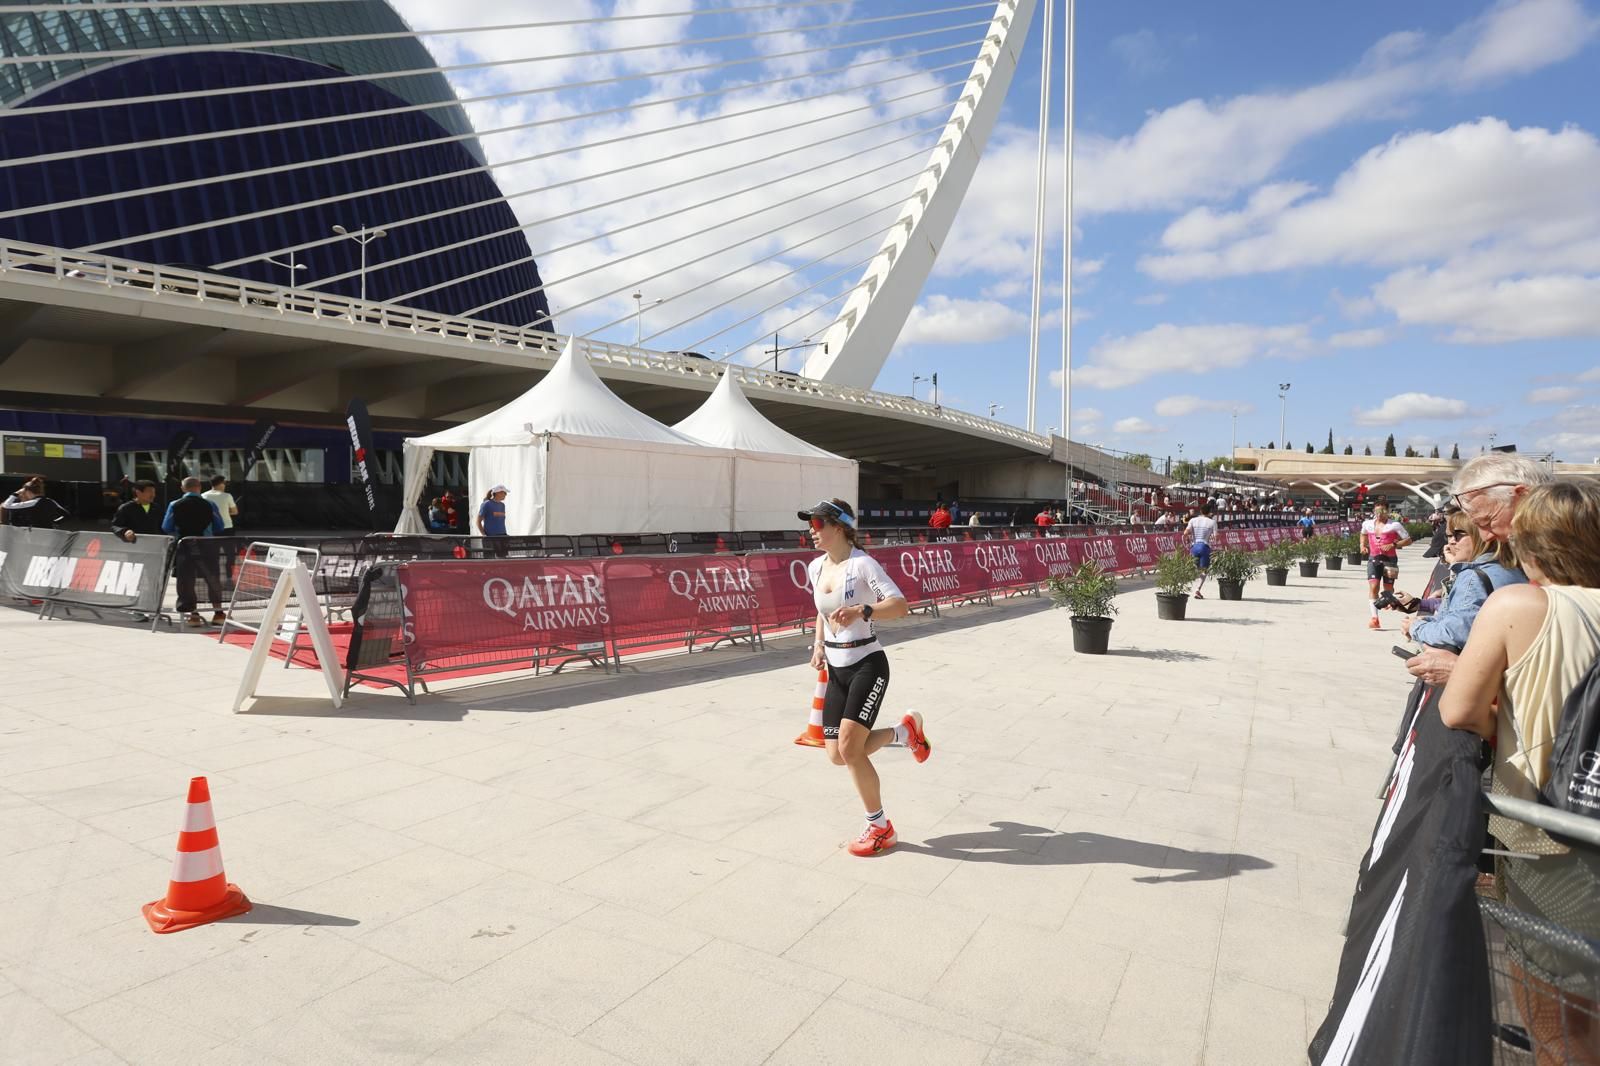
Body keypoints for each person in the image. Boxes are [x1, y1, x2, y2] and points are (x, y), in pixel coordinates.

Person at [1440, 480, 1600, 1061]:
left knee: (1560, 1022)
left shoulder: (1519, 606)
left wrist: (1502, 719)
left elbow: (1457, 708)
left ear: (1530, 550)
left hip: (1552, 840)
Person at [801, 498, 930, 857]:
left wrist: (864, 609)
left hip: (867, 664)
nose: (811, 531)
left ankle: (880, 827)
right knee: (837, 755)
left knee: (849, 749)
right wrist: (818, 645)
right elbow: (821, 613)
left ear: (838, 526)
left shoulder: (863, 565)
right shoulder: (815, 567)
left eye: (816, 523)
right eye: (810, 524)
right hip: (836, 668)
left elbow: (901, 605)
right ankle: (904, 733)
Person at [1407, 452, 1554, 685]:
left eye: (1487, 521)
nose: (1486, 536)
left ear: (1522, 497)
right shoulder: (1534, 568)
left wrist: (1465, 672)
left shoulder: (1564, 575)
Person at [1390, 509, 1525, 649]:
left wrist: (1415, 627)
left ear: (1481, 536)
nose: (1452, 542)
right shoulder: (1510, 568)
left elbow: (1454, 634)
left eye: (1458, 535)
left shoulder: (1472, 576)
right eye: (1449, 536)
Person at [161, 475, 226, 627]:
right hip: (207, 546)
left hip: (185, 547)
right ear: (199, 487)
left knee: (186, 581)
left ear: (183, 488)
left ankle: (194, 615)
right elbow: (220, 526)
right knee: (212, 578)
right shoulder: (210, 504)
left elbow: (166, 527)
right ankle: (219, 613)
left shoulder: (174, 504)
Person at [1359, 503, 1413, 631]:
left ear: (1387, 512)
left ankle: (1388, 600)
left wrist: (1394, 545)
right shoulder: (1367, 524)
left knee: (1388, 589)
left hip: (1390, 560)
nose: (1380, 515)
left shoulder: (1394, 525)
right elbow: (1363, 534)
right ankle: (1374, 618)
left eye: (1383, 512)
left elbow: (1408, 540)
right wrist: (1362, 545)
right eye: (1377, 512)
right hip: (1374, 558)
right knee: (1373, 586)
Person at [2, 477, 69, 528]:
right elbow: (67, 515)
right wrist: (56, 522)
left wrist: (16, 493)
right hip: (50, 533)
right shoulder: (51, 501)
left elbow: (6, 505)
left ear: (28, 491)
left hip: (35, 535)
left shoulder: (32, 503)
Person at [1185, 502, 1218, 599]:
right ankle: (1197, 589)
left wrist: (1187, 539)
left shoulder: (1193, 520)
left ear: (1200, 511)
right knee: (1204, 571)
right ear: (1210, 512)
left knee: (1196, 569)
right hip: (1204, 547)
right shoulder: (1212, 522)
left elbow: (1186, 532)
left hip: (1194, 547)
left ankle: (1191, 588)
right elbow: (1216, 537)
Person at [477, 484, 509, 555]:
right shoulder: (486, 504)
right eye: (504, 493)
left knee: (503, 560)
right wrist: (484, 535)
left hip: (503, 536)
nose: (506, 495)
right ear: (498, 493)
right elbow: (478, 521)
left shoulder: (502, 505)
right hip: (490, 537)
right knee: (490, 561)